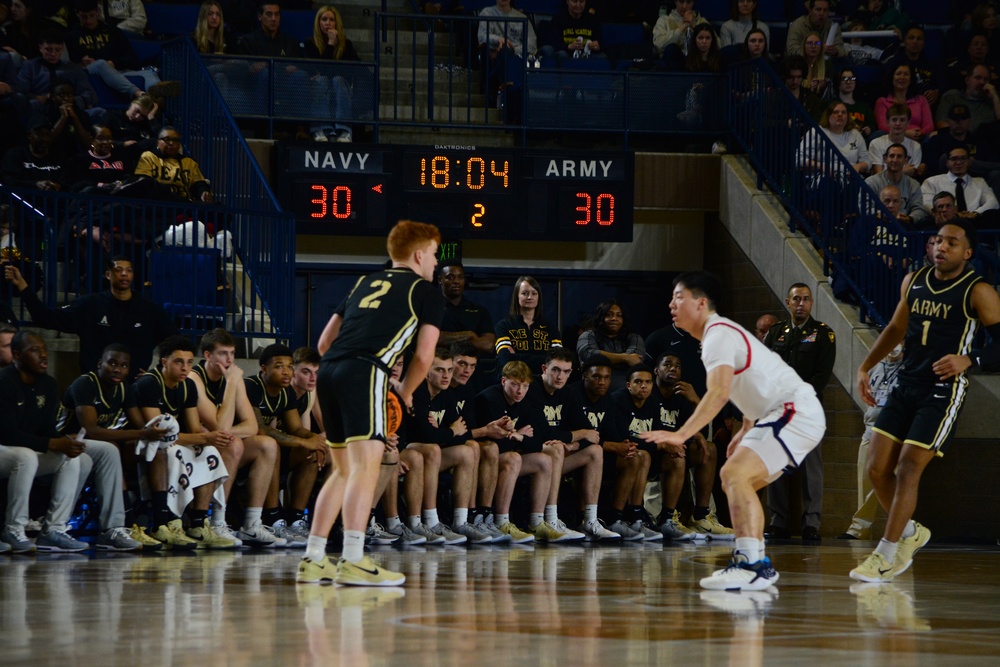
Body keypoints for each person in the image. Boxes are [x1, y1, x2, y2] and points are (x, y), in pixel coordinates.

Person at [640, 272, 826, 591]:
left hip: (795, 410)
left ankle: (751, 564)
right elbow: (754, 379)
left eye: (679, 296)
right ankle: (754, 561)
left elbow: (719, 393)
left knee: (735, 475)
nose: (671, 303)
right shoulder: (720, 335)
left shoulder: (717, 335)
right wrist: (748, 427)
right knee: (734, 478)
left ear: (700, 304)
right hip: (779, 413)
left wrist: (680, 434)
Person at [850, 219, 1000, 582]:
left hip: (942, 390)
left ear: (967, 252)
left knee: (907, 468)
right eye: (937, 240)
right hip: (906, 384)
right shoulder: (914, 281)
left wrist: (971, 360)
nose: (941, 247)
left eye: (951, 242)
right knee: (876, 468)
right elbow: (896, 328)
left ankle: (886, 554)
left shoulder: (978, 291)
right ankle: (910, 532)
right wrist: (865, 366)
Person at [298, 220, 443, 587]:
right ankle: (353, 558)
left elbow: (324, 342)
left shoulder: (365, 282)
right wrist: (406, 391)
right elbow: (424, 357)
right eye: (435, 255)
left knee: (343, 469)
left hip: (329, 372)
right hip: (365, 371)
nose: (436, 263)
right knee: (366, 467)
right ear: (419, 254)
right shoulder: (425, 291)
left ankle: (314, 558)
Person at [59, 343, 171, 550]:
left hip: (104, 449)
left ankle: (162, 524)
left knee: (156, 450)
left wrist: (158, 431)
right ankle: (122, 524)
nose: (118, 369)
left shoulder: (124, 387)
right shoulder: (84, 385)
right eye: (112, 363)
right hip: (66, 444)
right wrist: (142, 433)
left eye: (124, 366)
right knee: (110, 446)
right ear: (100, 363)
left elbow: (140, 426)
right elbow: (92, 430)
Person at [133, 335, 236, 549]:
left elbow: (195, 428)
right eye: (179, 362)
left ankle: (198, 522)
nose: (185, 368)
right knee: (172, 452)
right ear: (164, 362)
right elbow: (158, 433)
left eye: (189, 362)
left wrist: (207, 439)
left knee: (210, 452)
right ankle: (170, 521)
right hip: (143, 444)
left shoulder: (187, 385)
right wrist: (203, 437)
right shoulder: (149, 384)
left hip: (172, 442)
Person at [190, 329, 286, 548]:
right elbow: (220, 424)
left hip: (219, 444)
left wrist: (223, 433)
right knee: (233, 445)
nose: (230, 360)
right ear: (207, 356)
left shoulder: (233, 377)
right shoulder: (195, 378)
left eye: (232, 353)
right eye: (223, 354)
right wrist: (232, 384)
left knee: (267, 444)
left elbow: (251, 426)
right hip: (194, 447)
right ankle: (217, 523)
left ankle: (252, 524)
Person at [5, 256, 177, 377]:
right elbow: (45, 318)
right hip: (94, 383)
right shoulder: (90, 304)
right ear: (108, 275)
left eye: (128, 270)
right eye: (119, 270)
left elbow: (175, 342)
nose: (124, 274)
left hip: (134, 384)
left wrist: (159, 372)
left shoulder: (149, 310)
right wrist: (23, 286)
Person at [0, 330, 91, 553]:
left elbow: (45, 428)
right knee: (26, 456)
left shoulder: (48, 385)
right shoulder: (4, 381)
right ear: (17, 355)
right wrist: (52, 443)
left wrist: (64, 442)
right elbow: (7, 433)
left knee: (72, 459)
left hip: (24, 451)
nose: (43, 355)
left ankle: (54, 530)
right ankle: (14, 529)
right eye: (34, 350)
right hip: (5, 447)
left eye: (44, 350)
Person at [761, 284, 835, 541]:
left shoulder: (823, 334)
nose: (801, 303)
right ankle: (778, 522)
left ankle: (811, 524)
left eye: (805, 299)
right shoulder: (776, 332)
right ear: (788, 302)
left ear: (812, 303)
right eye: (796, 299)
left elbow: (821, 376)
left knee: (811, 469)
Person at [401, 347, 491, 544]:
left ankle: (461, 521)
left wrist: (443, 432)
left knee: (467, 451)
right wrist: (449, 431)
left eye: (450, 370)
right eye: (440, 370)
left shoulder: (446, 394)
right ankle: (430, 522)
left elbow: (463, 432)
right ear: (426, 372)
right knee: (433, 449)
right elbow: (425, 434)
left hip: (431, 455)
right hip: (408, 453)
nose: (446, 376)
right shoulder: (417, 393)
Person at [473, 359, 569, 543]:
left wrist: (518, 437)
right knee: (513, 458)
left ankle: (537, 522)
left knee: (544, 460)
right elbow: (494, 443)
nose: (520, 391)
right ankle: (502, 521)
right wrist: (516, 436)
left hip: (507, 454)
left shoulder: (524, 403)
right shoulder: (489, 399)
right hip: (484, 460)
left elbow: (537, 441)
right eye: (515, 385)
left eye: (524, 386)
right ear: (503, 381)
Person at [245, 343, 329, 547]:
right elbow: (260, 429)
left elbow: (296, 428)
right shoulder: (251, 386)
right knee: (271, 444)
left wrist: (315, 441)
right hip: (245, 449)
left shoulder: (286, 392)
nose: (286, 372)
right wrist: (305, 441)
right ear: (264, 368)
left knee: (311, 451)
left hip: (269, 449)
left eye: (290, 367)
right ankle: (273, 518)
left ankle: (295, 519)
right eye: (279, 366)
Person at [526, 348, 613, 541]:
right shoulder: (531, 389)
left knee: (595, 451)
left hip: (556, 457)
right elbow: (542, 434)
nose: (560, 376)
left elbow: (593, 435)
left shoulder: (568, 393)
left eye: (566, 372)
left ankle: (589, 520)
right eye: (556, 370)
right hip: (531, 455)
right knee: (556, 447)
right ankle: (550, 519)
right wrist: (578, 435)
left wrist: (574, 444)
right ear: (544, 368)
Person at [652, 352, 733, 540]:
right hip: (655, 450)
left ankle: (701, 516)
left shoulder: (683, 395)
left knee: (710, 448)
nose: (673, 368)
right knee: (678, 455)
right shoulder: (649, 392)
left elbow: (702, 426)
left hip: (676, 448)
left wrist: (696, 400)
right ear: (656, 370)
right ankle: (667, 518)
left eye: (678, 366)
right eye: (667, 364)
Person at [839, 342, 903, 540]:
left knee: (889, 482)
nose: (896, 346)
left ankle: (901, 529)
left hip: (895, 434)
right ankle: (859, 529)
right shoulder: (873, 367)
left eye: (900, 342)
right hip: (870, 432)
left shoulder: (910, 369)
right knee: (865, 482)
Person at [66, 1, 174, 104]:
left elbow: (131, 59)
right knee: (100, 63)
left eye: (91, 15)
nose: (88, 20)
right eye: (84, 17)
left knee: (149, 73)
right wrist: (80, 63)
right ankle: (139, 94)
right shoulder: (72, 35)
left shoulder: (113, 31)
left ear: (98, 12)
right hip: (90, 70)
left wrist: (113, 63)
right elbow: (68, 64)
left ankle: (157, 98)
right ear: (77, 14)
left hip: (117, 70)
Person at [609, 364, 665, 541]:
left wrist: (666, 445)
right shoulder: (618, 399)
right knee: (642, 455)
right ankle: (619, 518)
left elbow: (658, 433)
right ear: (628, 385)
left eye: (648, 382)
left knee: (675, 458)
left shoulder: (654, 402)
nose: (644, 386)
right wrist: (659, 445)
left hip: (642, 454)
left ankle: (664, 519)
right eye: (638, 381)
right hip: (616, 454)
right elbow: (623, 438)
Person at [304, 5, 359, 143]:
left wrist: (329, 72)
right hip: (318, 87)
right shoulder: (310, 44)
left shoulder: (346, 45)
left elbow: (350, 70)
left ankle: (345, 130)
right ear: (318, 23)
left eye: (331, 20)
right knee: (323, 80)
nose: (328, 23)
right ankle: (321, 129)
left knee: (337, 80)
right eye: (324, 19)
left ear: (336, 23)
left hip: (341, 87)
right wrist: (330, 44)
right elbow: (321, 71)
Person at [494, 275, 562, 377]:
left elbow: (558, 360)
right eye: (525, 293)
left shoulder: (550, 328)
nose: (530, 297)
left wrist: (516, 357)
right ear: (517, 296)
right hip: (514, 381)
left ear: (538, 297)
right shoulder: (504, 326)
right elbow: (505, 359)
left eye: (534, 293)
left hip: (542, 384)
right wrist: (544, 358)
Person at [576, 298, 645, 390]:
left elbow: (635, 360)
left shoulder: (634, 338)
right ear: (601, 317)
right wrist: (626, 358)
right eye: (609, 315)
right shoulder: (588, 335)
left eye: (619, 315)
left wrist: (602, 358)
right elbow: (590, 356)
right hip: (593, 391)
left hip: (626, 393)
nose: (614, 319)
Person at [132, 127, 214, 203]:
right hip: (157, 203)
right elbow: (144, 182)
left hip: (183, 204)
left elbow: (199, 183)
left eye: (175, 140)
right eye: (167, 139)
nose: (171, 143)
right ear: (158, 142)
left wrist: (204, 192)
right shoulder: (148, 156)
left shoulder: (189, 162)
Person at [920, 146, 1000, 221]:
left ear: (969, 162)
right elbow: (926, 204)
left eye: (963, 158)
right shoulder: (931, 182)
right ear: (947, 162)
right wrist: (947, 214)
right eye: (954, 159)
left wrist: (975, 213)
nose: (958, 162)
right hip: (943, 223)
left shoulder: (979, 182)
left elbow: (993, 202)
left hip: (973, 222)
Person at [795, 100, 872, 177]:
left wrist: (857, 167)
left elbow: (867, 161)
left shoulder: (855, 134)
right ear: (828, 116)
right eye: (835, 112)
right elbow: (799, 159)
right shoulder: (817, 132)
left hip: (850, 177)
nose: (840, 115)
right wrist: (822, 167)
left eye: (843, 112)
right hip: (822, 176)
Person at [437, 260, 496, 358]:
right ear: (440, 280)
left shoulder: (479, 311)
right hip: (440, 369)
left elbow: (488, 344)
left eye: (460, 277)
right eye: (450, 277)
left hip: (472, 370)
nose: (456, 281)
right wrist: (469, 334)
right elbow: (432, 339)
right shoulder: (430, 309)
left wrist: (449, 341)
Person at [864, 142, 929, 225]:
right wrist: (883, 215)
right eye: (891, 156)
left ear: (906, 160)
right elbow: (864, 206)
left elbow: (919, 208)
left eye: (899, 156)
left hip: (904, 226)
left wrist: (909, 218)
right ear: (885, 159)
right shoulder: (871, 182)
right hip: (876, 224)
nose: (895, 160)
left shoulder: (913, 184)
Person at [883, 24, 942, 109]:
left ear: (924, 42)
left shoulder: (933, 63)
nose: (915, 41)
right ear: (904, 41)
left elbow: (943, 83)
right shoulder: (894, 62)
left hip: (930, 104)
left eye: (919, 39)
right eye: (911, 38)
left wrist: (937, 92)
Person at [874, 62, 935, 142]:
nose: (902, 77)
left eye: (906, 74)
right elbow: (883, 127)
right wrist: (905, 133)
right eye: (898, 74)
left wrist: (919, 133)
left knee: (933, 136)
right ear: (892, 77)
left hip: (918, 137)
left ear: (911, 78)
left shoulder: (921, 100)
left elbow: (929, 125)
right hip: (892, 139)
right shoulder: (882, 102)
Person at [1, 115, 63, 190]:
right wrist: (35, 184)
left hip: (52, 200)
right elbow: (10, 182)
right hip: (21, 200)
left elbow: (67, 183)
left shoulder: (59, 157)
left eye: (47, 135)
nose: (44, 139)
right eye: (39, 135)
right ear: (29, 135)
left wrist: (57, 186)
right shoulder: (15, 155)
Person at [936, 64, 1000, 133]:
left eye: (986, 79)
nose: (982, 82)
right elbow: (941, 123)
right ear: (967, 80)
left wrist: (995, 98)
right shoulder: (952, 96)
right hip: (957, 139)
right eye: (978, 78)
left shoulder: (993, 101)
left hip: (986, 141)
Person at [538, 0, 604, 66]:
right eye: (574, 1)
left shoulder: (592, 20)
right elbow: (553, 43)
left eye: (581, 2)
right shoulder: (559, 19)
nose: (578, 5)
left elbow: (600, 43)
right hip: (566, 54)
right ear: (567, 2)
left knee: (602, 57)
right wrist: (568, 46)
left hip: (587, 56)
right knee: (562, 54)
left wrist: (597, 46)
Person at [869, 104, 925, 178]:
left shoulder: (916, 146)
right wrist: (902, 172)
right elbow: (878, 176)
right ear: (887, 122)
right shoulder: (876, 143)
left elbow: (912, 175)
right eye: (894, 120)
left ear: (908, 123)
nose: (898, 124)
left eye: (902, 120)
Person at [652, 0, 712, 64]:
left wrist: (694, 26)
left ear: (693, 3)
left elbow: (717, 46)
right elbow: (659, 45)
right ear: (675, 1)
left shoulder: (702, 21)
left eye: (688, 2)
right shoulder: (664, 20)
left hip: (698, 62)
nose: (684, 6)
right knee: (672, 49)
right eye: (681, 1)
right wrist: (682, 28)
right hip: (673, 63)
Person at [835, 67, 876, 141]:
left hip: (861, 141)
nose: (848, 82)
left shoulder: (864, 107)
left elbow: (872, 127)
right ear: (838, 82)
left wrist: (868, 130)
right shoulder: (832, 105)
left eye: (852, 78)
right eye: (844, 79)